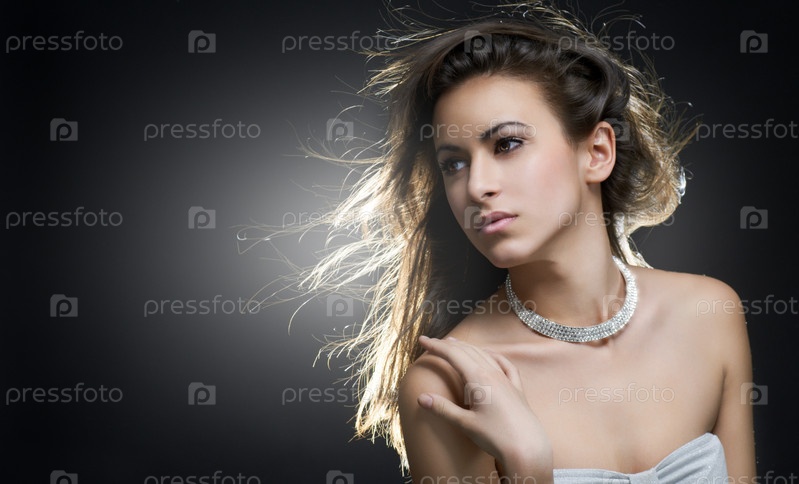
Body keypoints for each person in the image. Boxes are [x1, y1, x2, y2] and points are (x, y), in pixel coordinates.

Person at [273, 2, 756, 482]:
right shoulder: (447, 386)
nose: (476, 185)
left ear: (597, 152)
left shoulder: (709, 314)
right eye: (454, 163)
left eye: (506, 144)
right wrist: (527, 466)